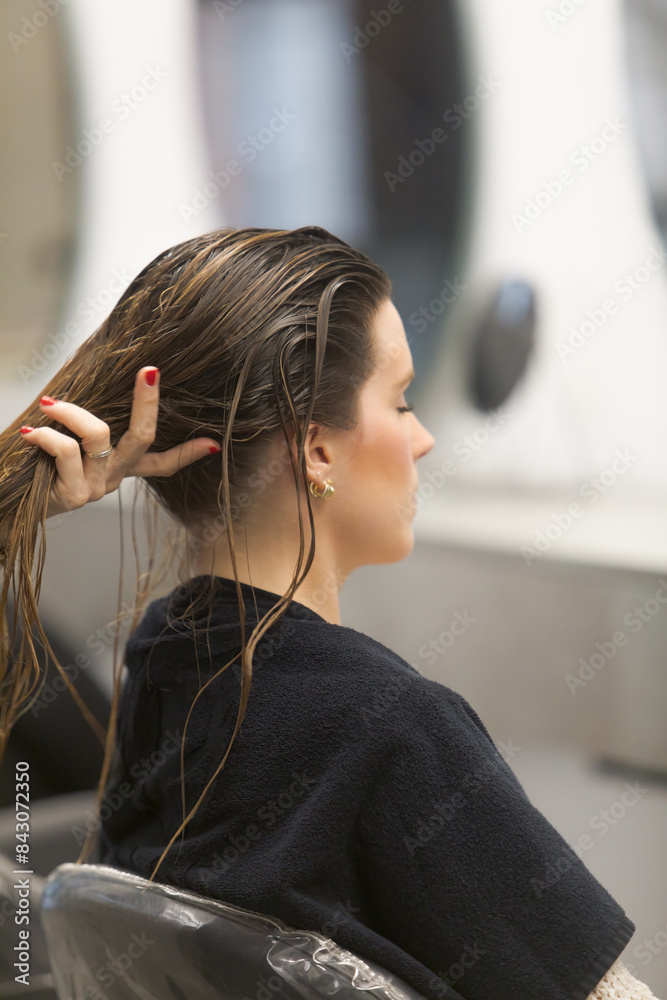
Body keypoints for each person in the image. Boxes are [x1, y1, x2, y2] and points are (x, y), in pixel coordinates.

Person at [0, 226, 659, 1000]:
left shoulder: (162, 661)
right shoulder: (393, 727)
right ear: (315, 450)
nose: (423, 437)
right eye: (402, 399)